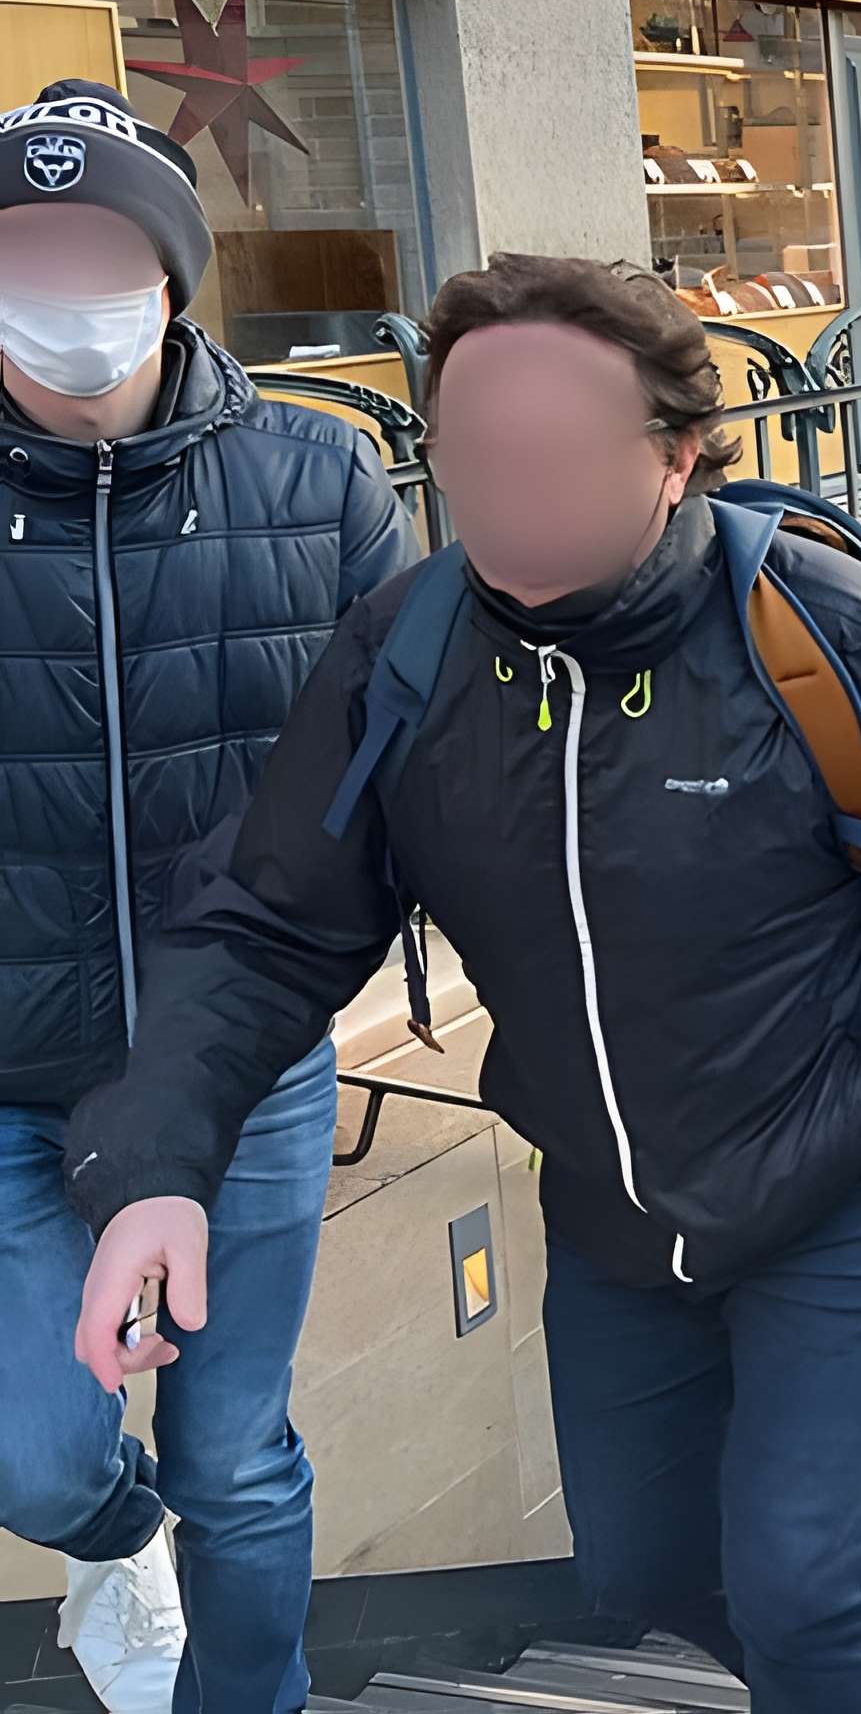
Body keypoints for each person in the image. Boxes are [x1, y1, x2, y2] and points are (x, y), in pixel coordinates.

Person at [63, 254, 861, 1713]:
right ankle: (853, 1637)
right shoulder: (407, 653)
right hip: (611, 1205)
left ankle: (838, 1642)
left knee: (799, 1572)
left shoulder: (827, 632)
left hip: (845, 1180)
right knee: (645, 1566)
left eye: (556, 452)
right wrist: (157, 1164)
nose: (509, 489)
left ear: (674, 457)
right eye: (475, 455)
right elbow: (267, 925)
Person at [0, 85, 408, 1713]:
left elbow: (426, 765)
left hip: (242, 1074)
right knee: (35, 1453)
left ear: (172, 277)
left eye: (99, 250)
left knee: (234, 1454)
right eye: (26, 251)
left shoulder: (320, 481)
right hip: (14, 1078)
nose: (65, 286)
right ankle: (114, 1538)